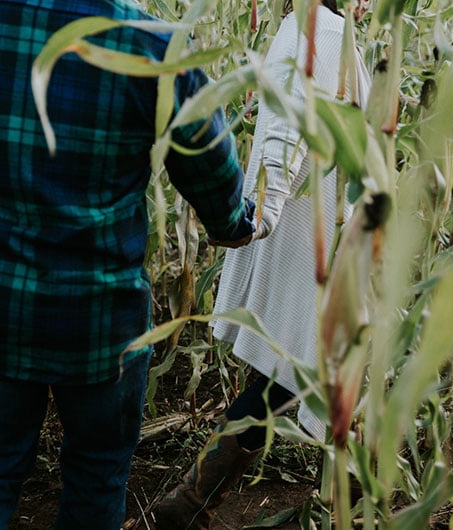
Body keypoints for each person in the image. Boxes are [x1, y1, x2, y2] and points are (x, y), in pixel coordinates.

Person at [0, 0, 256, 528]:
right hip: (103, 323)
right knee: (97, 475)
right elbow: (213, 174)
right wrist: (238, 223)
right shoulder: (152, 43)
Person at [154, 1, 370, 528]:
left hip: (305, 224)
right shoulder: (324, 29)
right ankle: (191, 505)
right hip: (311, 230)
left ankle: (191, 504)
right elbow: (290, 127)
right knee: (304, 370)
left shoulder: (306, 25)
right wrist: (269, 210)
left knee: (295, 370)